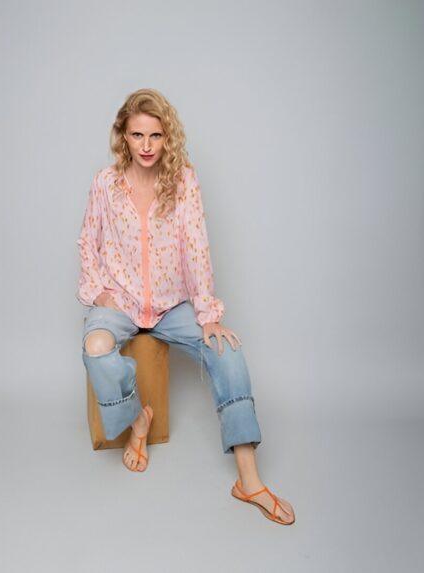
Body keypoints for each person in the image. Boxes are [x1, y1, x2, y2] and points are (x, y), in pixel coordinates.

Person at [76, 88, 295, 525]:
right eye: (137, 135)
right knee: (96, 346)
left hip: (171, 305)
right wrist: (98, 292)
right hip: (120, 301)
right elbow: (88, 241)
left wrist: (208, 314)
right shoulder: (105, 183)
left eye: (155, 135)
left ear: (167, 137)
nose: (146, 146)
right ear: (123, 136)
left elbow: (196, 246)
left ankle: (248, 480)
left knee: (227, 351)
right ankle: (136, 420)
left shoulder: (183, 180)